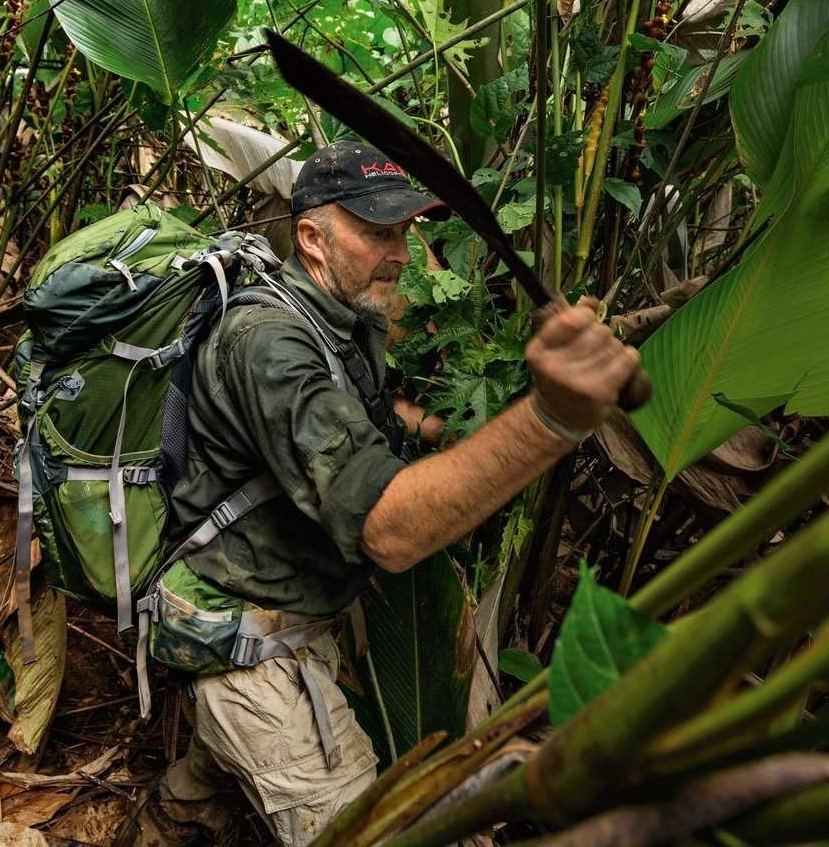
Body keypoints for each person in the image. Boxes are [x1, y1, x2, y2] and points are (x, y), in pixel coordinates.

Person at [158, 140, 642, 844]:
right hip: (241, 628)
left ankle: (177, 808)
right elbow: (389, 532)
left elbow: (375, 415)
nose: (403, 255)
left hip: (301, 599)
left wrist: (472, 415)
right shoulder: (270, 344)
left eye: (405, 232)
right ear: (311, 239)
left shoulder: (341, 315)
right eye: (378, 233)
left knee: (211, 780)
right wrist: (550, 419)